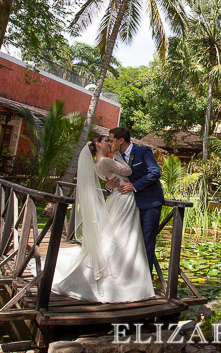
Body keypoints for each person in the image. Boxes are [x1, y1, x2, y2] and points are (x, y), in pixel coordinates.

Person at [48, 136, 154, 303]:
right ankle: (123, 278)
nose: (110, 144)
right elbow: (128, 172)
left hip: (117, 197)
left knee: (119, 233)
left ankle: (126, 275)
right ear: (97, 144)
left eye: (110, 141)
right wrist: (118, 154)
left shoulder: (99, 163)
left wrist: (108, 186)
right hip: (123, 198)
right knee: (122, 234)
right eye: (107, 141)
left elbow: (109, 181)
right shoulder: (106, 161)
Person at [107, 127, 164, 279]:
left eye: (112, 140)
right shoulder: (115, 157)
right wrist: (109, 186)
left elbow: (154, 172)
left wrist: (135, 186)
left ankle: (145, 280)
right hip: (128, 206)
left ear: (121, 140)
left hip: (149, 203)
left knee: (147, 242)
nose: (110, 144)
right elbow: (116, 180)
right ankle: (128, 278)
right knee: (128, 242)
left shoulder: (143, 151)